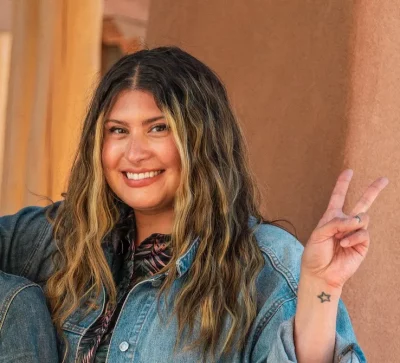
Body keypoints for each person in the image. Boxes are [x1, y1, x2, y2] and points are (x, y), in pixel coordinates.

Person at [0, 46, 388, 363]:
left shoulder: (266, 265)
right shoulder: (58, 238)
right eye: (118, 131)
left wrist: (321, 288)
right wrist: (22, 310)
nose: (134, 153)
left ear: (203, 141)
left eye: (158, 128)